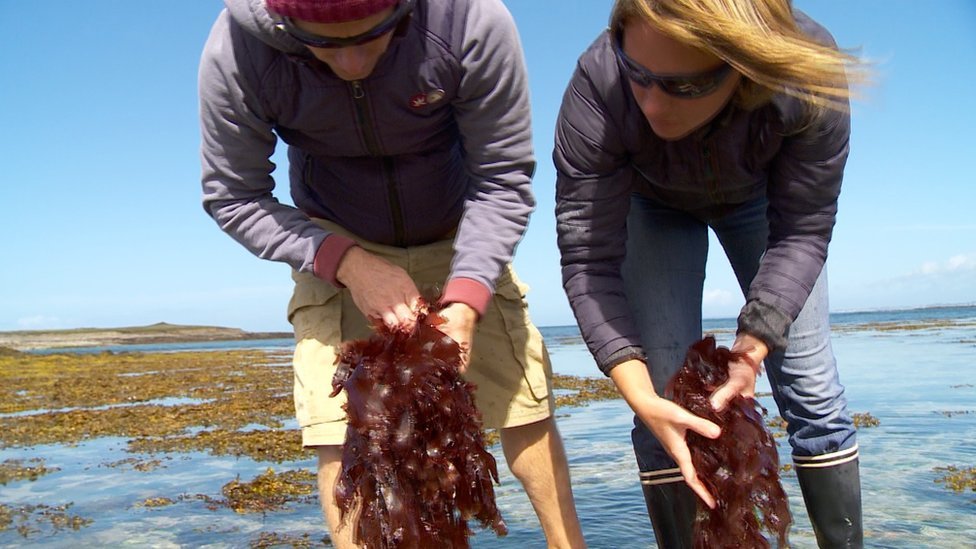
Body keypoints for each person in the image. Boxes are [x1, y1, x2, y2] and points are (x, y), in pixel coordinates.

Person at [198, 0, 586, 547]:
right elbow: (234, 196)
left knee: (525, 408)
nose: (353, 63)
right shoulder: (239, 51)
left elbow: (501, 178)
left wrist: (469, 294)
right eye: (326, 44)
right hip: (332, 239)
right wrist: (347, 262)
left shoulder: (470, 20)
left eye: (375, 36)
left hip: (461, 232)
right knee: (340, 435)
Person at [553, 0, 869, 547]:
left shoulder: (803, 73)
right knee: (664, 407)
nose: (651, 104)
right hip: (649, 202)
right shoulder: (599, 87)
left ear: (742, 67)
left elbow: (803, 230)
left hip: (762, 198)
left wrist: (753, 347)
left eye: (682, 86)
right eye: (639, 77)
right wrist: (640, 395)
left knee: (813, 394)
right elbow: (587, 260)